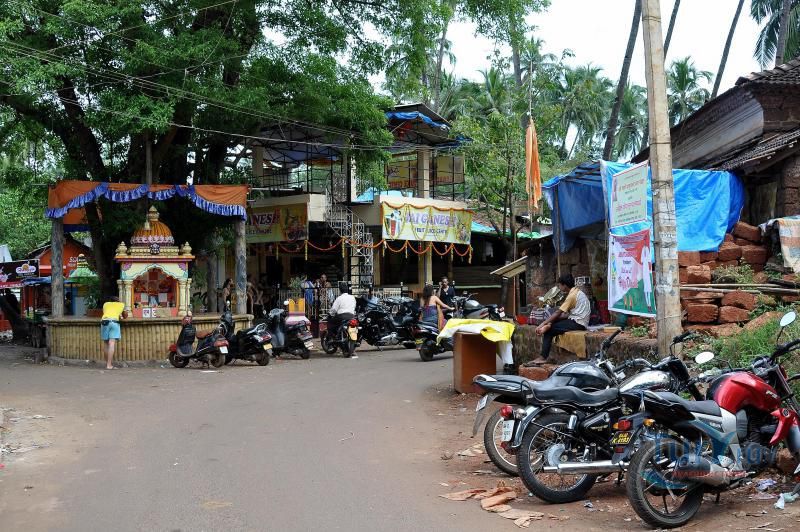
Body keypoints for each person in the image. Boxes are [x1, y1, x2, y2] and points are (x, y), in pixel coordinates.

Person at [532, 274, 590, 364]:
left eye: (559, 285)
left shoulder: (572, 296)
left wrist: (542, 324)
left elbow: (557, 313)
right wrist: (551, 321)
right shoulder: (576, 292)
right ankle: (549, 325)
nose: (559, 287)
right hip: (576, 319)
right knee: (554, 321)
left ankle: (543, 357)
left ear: (564, 285)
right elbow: (565, 315)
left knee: (549, 331)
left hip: (579, 323)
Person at [328, 282, 358, 358]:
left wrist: (330, 314)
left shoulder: (339, 298)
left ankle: (331, 338)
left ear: (340, 290)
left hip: (342, 316)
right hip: (351, 316)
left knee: (330, 323)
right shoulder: (352, 297)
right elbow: (354, 306)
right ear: (347, 290)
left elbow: (334, 309)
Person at [100, 296, 127, 370]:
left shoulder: (105, 304)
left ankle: (107, 364)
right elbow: (125, 316)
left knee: (106, 343)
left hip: (104, 322)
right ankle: (109, 365)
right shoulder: (121, 304)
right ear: (118, 300)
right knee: (111, 343)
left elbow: (107, 313)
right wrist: (121, 315)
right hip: (114, 322)